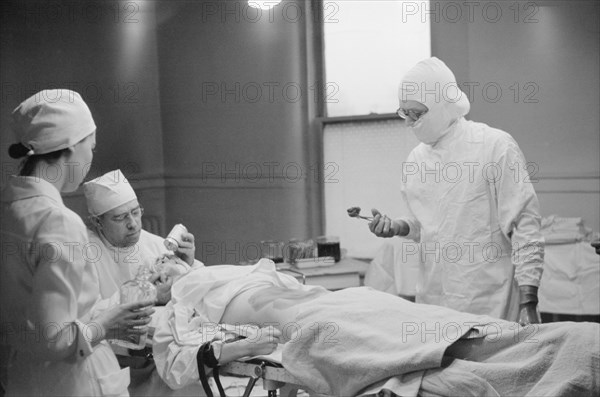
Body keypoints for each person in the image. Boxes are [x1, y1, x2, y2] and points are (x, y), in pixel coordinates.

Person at [152, 259, 599, 397]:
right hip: (315, 324)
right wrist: (246, 345)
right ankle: (552, 367)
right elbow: (182, 363)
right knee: (420, 354)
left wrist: (190, 264)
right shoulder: (174, 312)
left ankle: (562, 345)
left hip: (350, 303)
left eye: (169, 265)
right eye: (156, 274)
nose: (164, 271)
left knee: (441, 326)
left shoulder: (229, 272)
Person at [0, 89, 155, 396]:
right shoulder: (58, 221)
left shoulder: (9, 209)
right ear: (70, 145)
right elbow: (55, 339)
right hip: (70, 381)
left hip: (23, 378)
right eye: (91, 148)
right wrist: (108, 324)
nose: (90, 158)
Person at [368, 57, 544, 324]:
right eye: (405, 113)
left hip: (491, 299)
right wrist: (397, 227)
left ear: (441, 104)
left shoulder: (493, 146)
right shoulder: (417, 160)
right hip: (435, 301)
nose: (409, 123)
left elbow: (525, 225)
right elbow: (426, 226)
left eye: (417, 113)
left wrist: (529, 300)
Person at [82, 169, 203, 304]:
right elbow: (88, 314)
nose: (133, 224)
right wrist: (147, 296)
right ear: (98, 222)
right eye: (120, 218)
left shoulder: (152, 243)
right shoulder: (84, 255)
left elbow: (202, 284)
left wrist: (187, 263)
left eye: (135, 212)